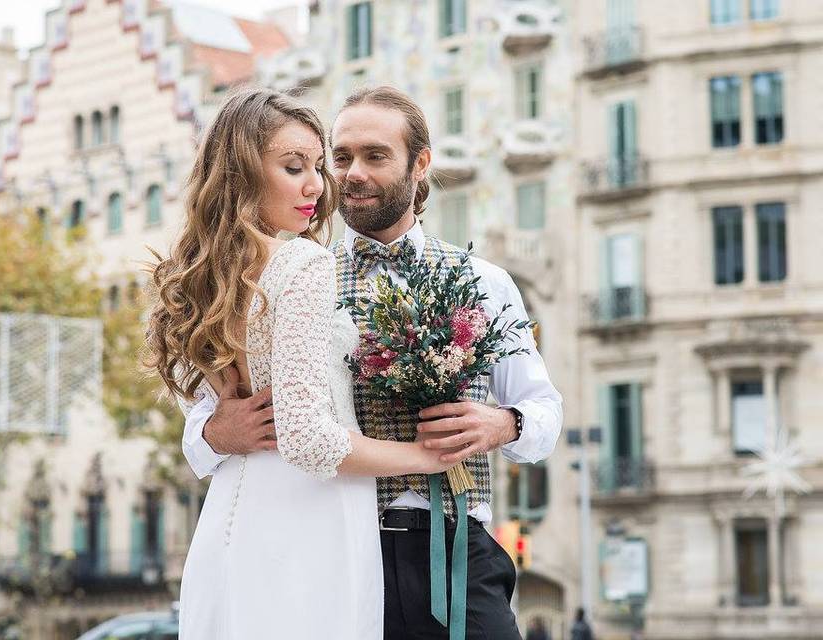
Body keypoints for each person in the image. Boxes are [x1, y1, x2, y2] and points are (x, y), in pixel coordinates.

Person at [184, 86, 563, 639]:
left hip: (456, 548)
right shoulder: (293, 271)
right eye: (340, 158)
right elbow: (201, 423)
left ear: (421, 164)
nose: (350, 173)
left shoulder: (484, 282)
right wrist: (218, 433)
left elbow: (544, 412)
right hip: (343, 544)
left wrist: (503, 423)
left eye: (375, 156)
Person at [145, 88, 452, 640]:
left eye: (317, 164)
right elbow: (309, 440)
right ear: (241, 173)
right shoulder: (304, 262)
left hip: (229, 519)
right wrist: (428, 458)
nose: (316, 185)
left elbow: (219, 415)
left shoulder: (203, 278)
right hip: (309, 525)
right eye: (293, 167)